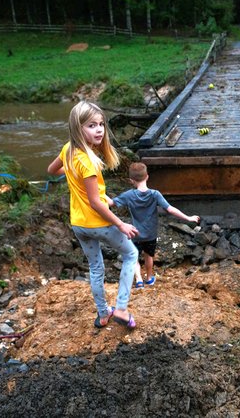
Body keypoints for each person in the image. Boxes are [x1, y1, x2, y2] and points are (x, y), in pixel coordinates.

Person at [48, 101, 139, 329]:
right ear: (78, 128)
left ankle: (102, 313)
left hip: (79, 224)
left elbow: (52, 170)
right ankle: (120, 308)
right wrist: (120, 224)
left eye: (101, 124)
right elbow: (95, 204)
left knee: (96, 267)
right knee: (131, 254)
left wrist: (94, 190)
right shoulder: (89, 162)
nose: (99, 130)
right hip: (98, 223)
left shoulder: (68, 149)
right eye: (91, 125)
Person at [108, 162, 200, 288]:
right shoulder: (155, 194)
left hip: (135, 233)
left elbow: (111, 203)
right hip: (150, 234)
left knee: (133, 256)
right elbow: (170, 209)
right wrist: (188, 218)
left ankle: (139, 280)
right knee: (149, 255)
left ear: (131, 180)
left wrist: (98, 193)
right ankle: (149, 278)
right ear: (147, 177)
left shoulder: (129, 195)